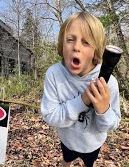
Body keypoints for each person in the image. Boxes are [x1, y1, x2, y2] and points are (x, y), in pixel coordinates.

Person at [41, 11, 121, 167]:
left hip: (93, 144)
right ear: (62, 45)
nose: (76, 47)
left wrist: (104, 110)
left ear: (96, 51)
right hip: (67, 140)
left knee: (88, 162)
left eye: (86, 42)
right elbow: (50, 116)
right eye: (70, 40)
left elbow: (113, 123)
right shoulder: (54, 74)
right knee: (67, 158)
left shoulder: (109, 83)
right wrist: (83, 100)